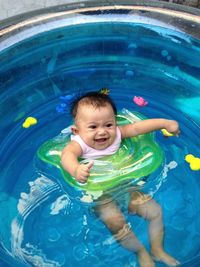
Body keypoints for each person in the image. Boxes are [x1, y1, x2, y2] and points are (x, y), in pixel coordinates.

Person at [61, 91, 180, 267]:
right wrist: (76, 169)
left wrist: (166, 123)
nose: (102, 131)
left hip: (126, 186)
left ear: (115, 123)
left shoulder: (117, 133)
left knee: (155, 212)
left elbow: (139, 127)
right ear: (76, 130)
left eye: (108, 124)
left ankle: (157, 250)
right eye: (93, 127)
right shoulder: (78, 144)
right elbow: (66, 155)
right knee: (117, 224)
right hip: (100, 195)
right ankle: (140, 252)